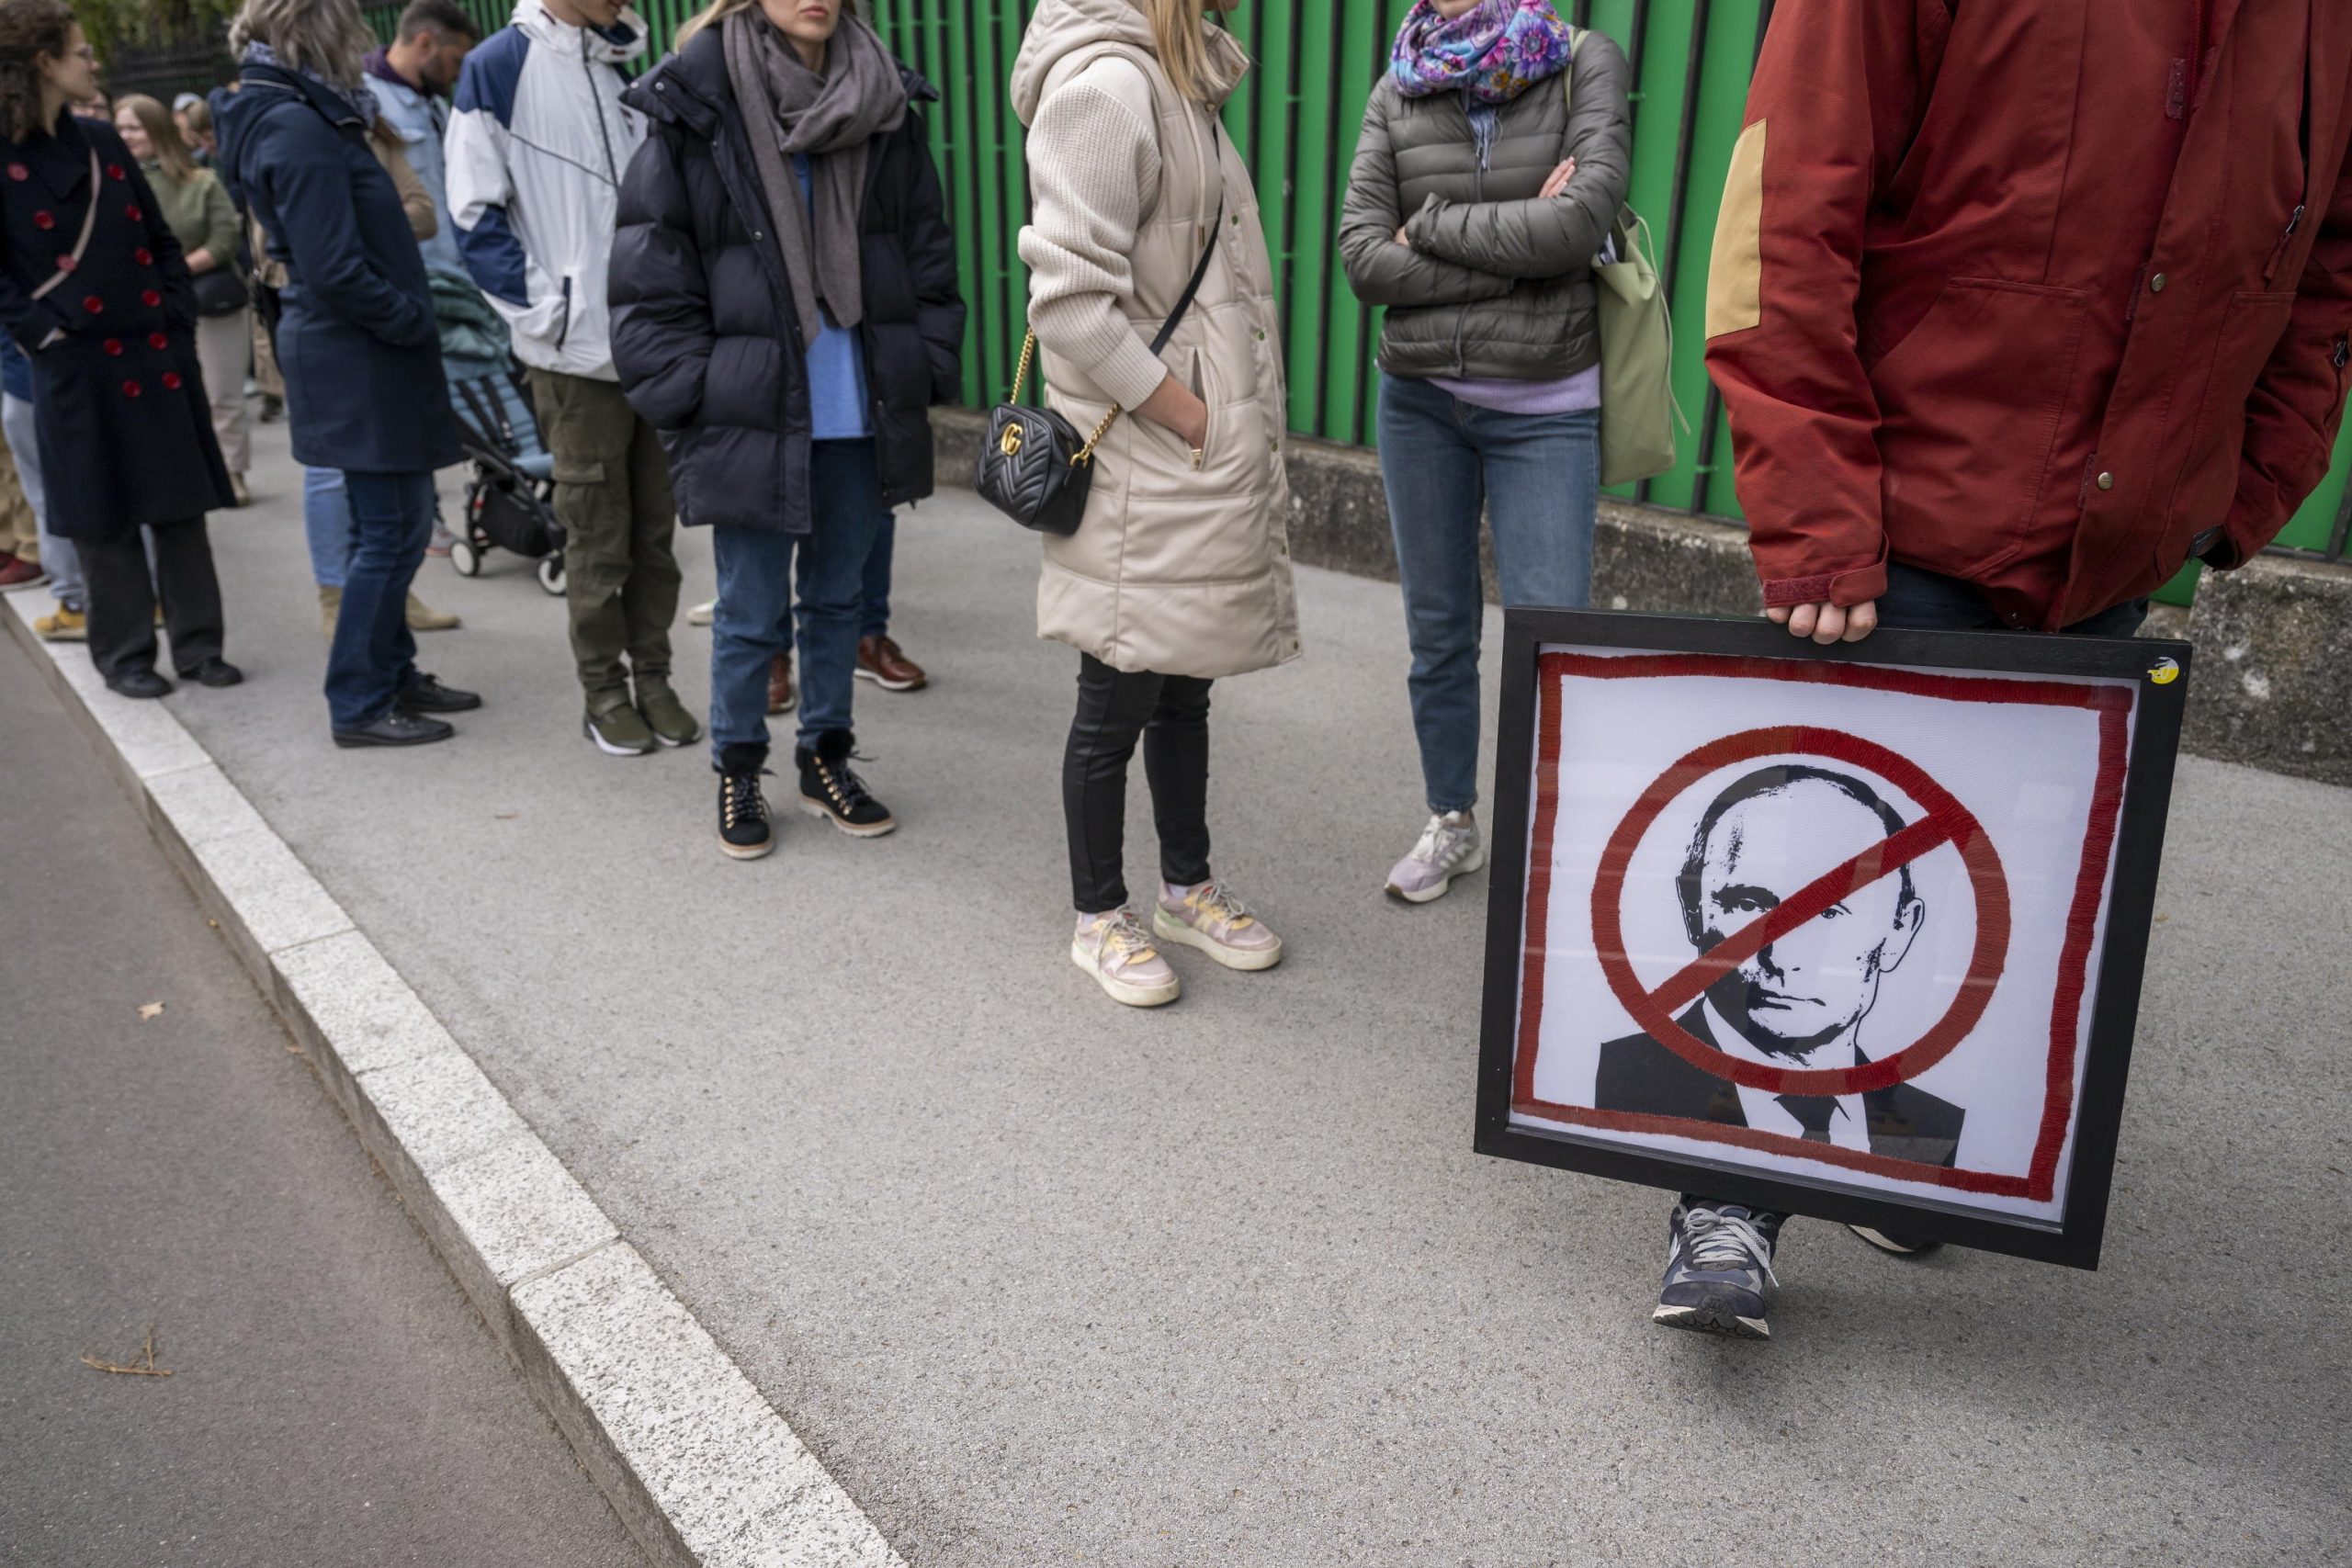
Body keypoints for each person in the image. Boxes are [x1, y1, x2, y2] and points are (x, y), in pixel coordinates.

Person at [1665, 0, 2352, 1343]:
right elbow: (1783, 211)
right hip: (1904, 528)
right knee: (1810, 880)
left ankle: (1890, 1147)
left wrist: (2249, 479)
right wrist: (1816, 515)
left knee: (1986, 898)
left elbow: (2327, 261)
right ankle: (1729, 1192)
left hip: (2113, 549)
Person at [610, 0, 961, 853]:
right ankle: (738, 766)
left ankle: (824, 756)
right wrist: (696, 391)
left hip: (858, 400)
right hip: (751, 402)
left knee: (839, 599)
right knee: (750, 608)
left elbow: (926, 250)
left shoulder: (881, 101)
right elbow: (653, 267)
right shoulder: (700, 102)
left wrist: (924, 363)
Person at [1012, 0, 1300, 1009]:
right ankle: (1099, 916)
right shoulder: (1106, 89)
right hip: (1147, 461)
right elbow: (1069, 306)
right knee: (1115, 697)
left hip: (1186, 462)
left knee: (1185, 685)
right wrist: (1190, 415)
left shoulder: (1182, 82)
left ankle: (1186, 887)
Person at [1340, 0, 1628, 907]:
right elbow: (1362, 260)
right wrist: (1519, 244)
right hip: (1419, 401)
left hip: (1545, 404)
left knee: (1552, 638)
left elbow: (1576, 228)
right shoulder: (1398, 87)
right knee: (1438, 635)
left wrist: (1426, 227)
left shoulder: (1584, 63)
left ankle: (1553, 839)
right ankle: (1451, 819)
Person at [218, 0, 477, 748]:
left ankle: (392, 672)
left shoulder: (297, 111)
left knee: (392, 526)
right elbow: (332, 267)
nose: (363, 40)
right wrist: (409, 318)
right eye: (351, 28)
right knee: (390, 534)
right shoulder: (295, 123)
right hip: (357, 353)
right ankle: (360, 700)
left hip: (358, 349)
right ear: (320, 34)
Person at [447, 0, 696, 758]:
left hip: (652, 346)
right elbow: (473, 215)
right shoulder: (499, 66)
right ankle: (603, 691)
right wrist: (551, 314)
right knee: (597, 537)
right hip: (573, 358)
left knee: (655, 536)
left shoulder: (621, 60)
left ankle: (654, 678)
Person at [0, 0, 238, 699]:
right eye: (80, 52)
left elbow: (159, 240)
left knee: (180, 508)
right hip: (75, 359)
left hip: (151, 350)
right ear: (43, 63)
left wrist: (175, 314)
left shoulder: (103, 142)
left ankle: (200, 647)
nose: (93, 60)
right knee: (102, 518)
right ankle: (126, 655)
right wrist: (43, 333)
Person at [1593, 765, 1962, 1180]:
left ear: (1900, 932)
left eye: (1829, 911)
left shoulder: (1943, 1133)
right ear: (1694, 911)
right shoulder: (1610, 1083)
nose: (1783, 957)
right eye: (1749, 905)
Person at [115, 93, 252, 506]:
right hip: (146, 304)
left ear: (157, 130)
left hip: (208, 297)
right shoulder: (112, 187)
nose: (125, 136)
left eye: (134, 127)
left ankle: (232, 471)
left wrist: (176, 270)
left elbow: (225, 238)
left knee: (222, 394)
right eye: (120, 128)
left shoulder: (201, 181)